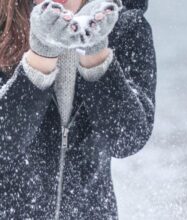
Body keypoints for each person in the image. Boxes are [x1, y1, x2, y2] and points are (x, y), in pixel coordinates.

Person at [0, 0, 156, 219]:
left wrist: (95, 55)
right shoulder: (3, 23)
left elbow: (128, 139)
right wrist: (41, 57)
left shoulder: (127, 26)